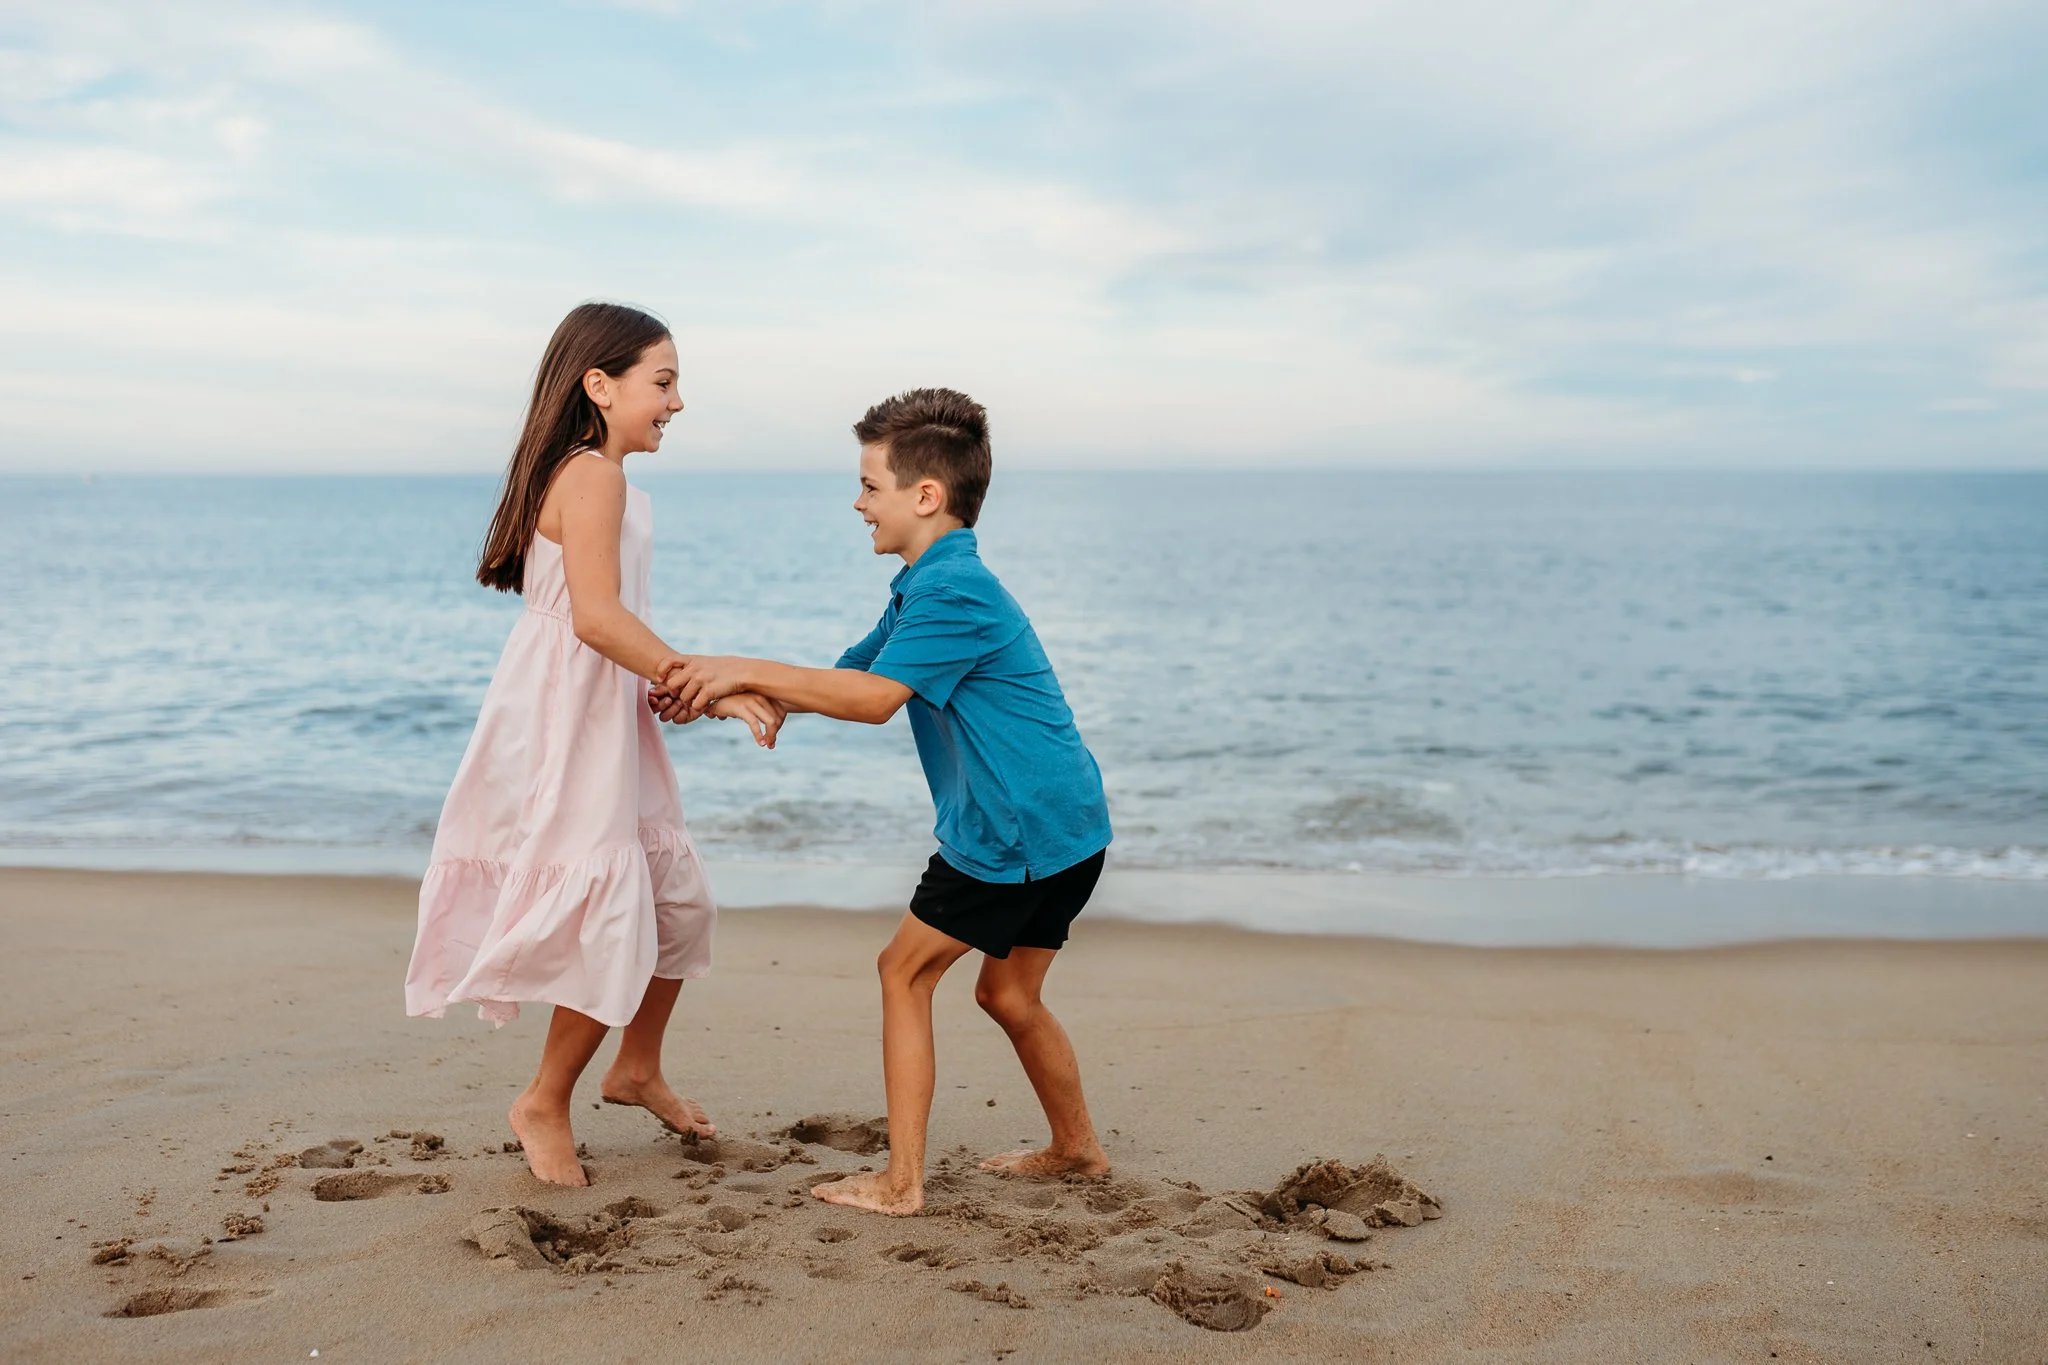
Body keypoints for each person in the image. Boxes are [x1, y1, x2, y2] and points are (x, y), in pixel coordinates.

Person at [653, 387, 1113, 1216]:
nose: (858, 502)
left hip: (1012, 832)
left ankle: (902, 1183)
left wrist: (731, 661)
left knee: (902, 971)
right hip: (1070, 821)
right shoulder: (928, 583)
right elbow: (852, 671)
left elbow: (874, 701)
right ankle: (1077, 1149)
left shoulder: (952, 593)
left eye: (871, 485)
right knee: (1008, 993)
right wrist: (741, 691)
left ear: (925, 496)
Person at [404, 301, 784, 1186]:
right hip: (568, 716)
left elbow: (612, 623)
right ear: (599, 385)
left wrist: (657, 682)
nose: (677, 402)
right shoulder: (592, 476)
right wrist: (707, 685)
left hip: (603, 704)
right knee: (604, 911)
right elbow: (598, 618)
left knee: (676, 904)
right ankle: (543, 1098)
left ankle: (637, 1065)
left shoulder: (601, 478)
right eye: (664, 381)